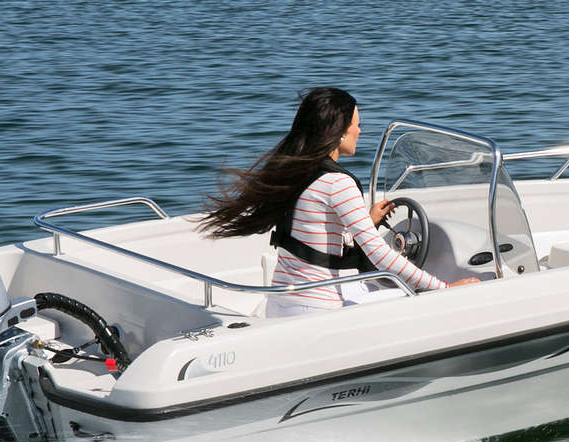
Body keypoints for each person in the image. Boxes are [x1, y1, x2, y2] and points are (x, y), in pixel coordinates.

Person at [199, 87, 478, 317]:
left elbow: (313, 234)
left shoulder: (295, 172)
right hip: (318, 309)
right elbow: (380, 255)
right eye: (357, 125)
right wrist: (445, 288)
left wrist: (366, 222)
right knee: (414, 302)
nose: (360, 132)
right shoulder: (338, 183)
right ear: (341, 131)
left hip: (282, 305)